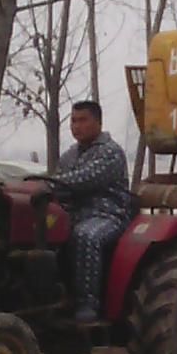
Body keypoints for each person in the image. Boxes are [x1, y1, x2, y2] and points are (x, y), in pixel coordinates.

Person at [52, 100, 132, 325]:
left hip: (107, 215)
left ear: (98, 122)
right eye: (73, 121)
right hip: (72, 214)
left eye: (83, 120)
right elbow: (59, 183)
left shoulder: (110, 152)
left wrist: (47, 184)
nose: (76, 126)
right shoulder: (69, 155)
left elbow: (83, 179)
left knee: (86, 236)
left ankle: (88, 304)